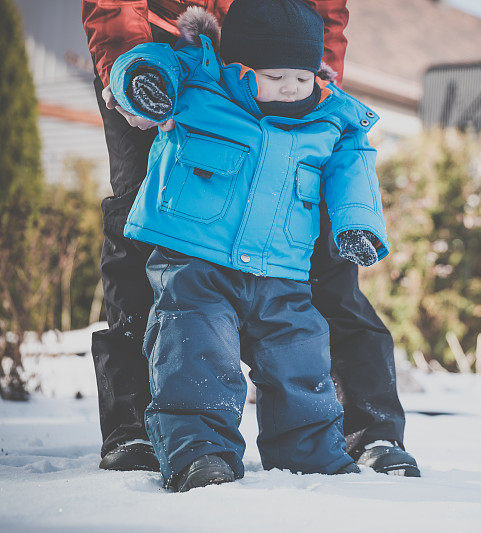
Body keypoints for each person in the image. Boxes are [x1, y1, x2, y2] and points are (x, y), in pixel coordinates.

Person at [82, 0, 419, 477]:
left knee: (301, 355)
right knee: (194, 348)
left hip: (281, 273)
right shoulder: (199, 77)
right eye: (283, 78)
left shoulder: (329, 113)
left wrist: (357, 225)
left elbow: (354, 168)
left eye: (300, 80)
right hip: (196, 258)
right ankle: (189, 447)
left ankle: (331, 445)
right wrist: (135, 74)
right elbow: (156, 59)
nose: (292, 89)